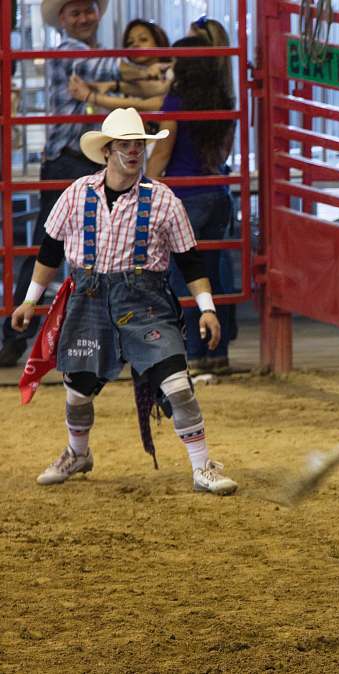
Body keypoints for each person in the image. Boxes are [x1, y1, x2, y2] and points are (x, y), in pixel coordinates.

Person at [11, 108, 238, 495]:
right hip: (89, 297)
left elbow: (190, 260)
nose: (133, 152)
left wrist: (208, 309)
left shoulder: (164, 201)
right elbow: (49, 251)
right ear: (107, 152)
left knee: (177, 383)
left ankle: (203, 466)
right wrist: (30, 300)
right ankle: (77, 452)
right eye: (125, 145)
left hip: (145, 301)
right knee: (78, 387)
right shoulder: (77, 193)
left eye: (138, 145)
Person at [0, 0, 117, 367]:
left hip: (82, 159)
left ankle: (19, 337)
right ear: (63, 20)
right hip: (71, 161)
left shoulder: (79, 52)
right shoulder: (70, 51)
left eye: (88, 10)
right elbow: (113, 68)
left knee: (62, 248)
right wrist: (155, 65)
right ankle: (16, 335)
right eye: (75, 12)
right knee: (51, 248)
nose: (83, 18)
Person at [148, 36, 239, 374]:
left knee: (182, 275)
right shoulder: (225, 101)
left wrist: (146, 187)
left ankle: (193, 354)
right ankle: (219, 352)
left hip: (184, 196)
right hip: (217, 194)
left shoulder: (176, 101)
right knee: (215, 274)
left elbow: (162, 151)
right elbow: (223, 155)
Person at [69, 19, 172, 112]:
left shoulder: (170, 71)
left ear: (159, 43)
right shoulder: (126, 80)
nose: (135, 45)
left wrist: (90, 96)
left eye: (143, 39)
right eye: (130, 42)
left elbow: (155, 102)